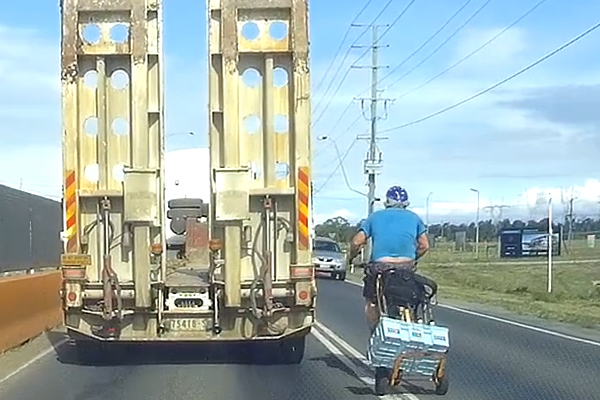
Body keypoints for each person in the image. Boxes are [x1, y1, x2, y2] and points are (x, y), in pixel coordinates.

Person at [347, 185, 430, 331]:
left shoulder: (375, 217)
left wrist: (352, 257)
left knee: (372, 300)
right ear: (406, 203)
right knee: (409, 294)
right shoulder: (414, 218)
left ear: (387, 202)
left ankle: (374, 331)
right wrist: (412, 258)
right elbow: (424, 245)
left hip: (380, 266)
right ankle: (410, 318)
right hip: (406, 266)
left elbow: (356, 242)